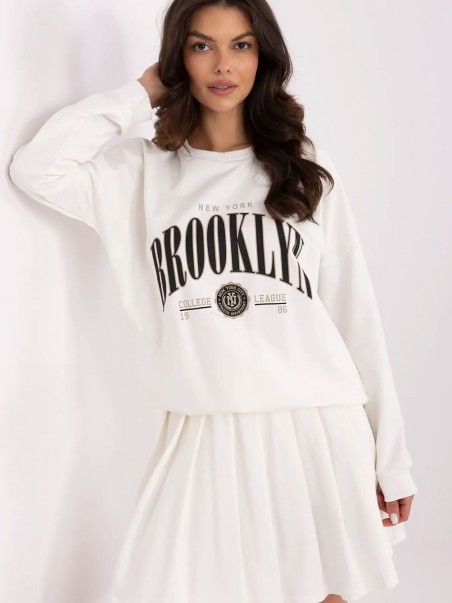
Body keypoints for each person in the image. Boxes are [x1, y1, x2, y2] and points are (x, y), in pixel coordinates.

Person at [8, 0, 418, 601]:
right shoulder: (141, 173)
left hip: (316, 427)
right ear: (179, 58)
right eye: (202, 46)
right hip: (202, 433)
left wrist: (391, 457)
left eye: (241, 45)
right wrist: (141, 93)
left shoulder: (304, 169)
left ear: (263, 57)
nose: (223, 64)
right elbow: (36, 168)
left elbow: (355, 314)